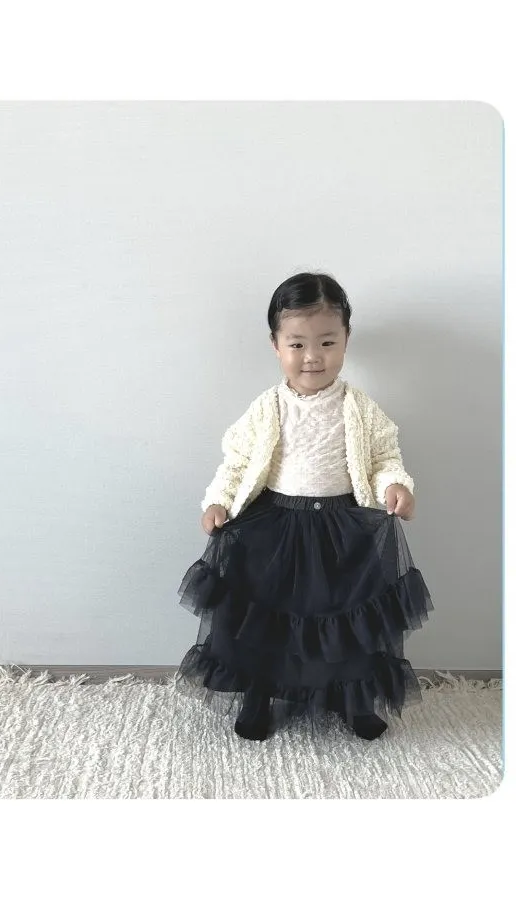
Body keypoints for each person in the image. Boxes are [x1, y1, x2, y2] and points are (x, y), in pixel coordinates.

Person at [175, 272, 433, 742]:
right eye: (297, 344)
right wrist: (218, 500)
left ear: (346, 340)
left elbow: (383, 457)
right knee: (268, 619)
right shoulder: (266, 408)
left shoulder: (360, 408)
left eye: (327, 342)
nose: (313, 356)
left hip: (342, 529)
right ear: (276, 345)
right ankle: (259, 694)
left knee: (344, 618)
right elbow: (237, 462)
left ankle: (353, 696)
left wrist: (395, 485)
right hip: (274, 528)